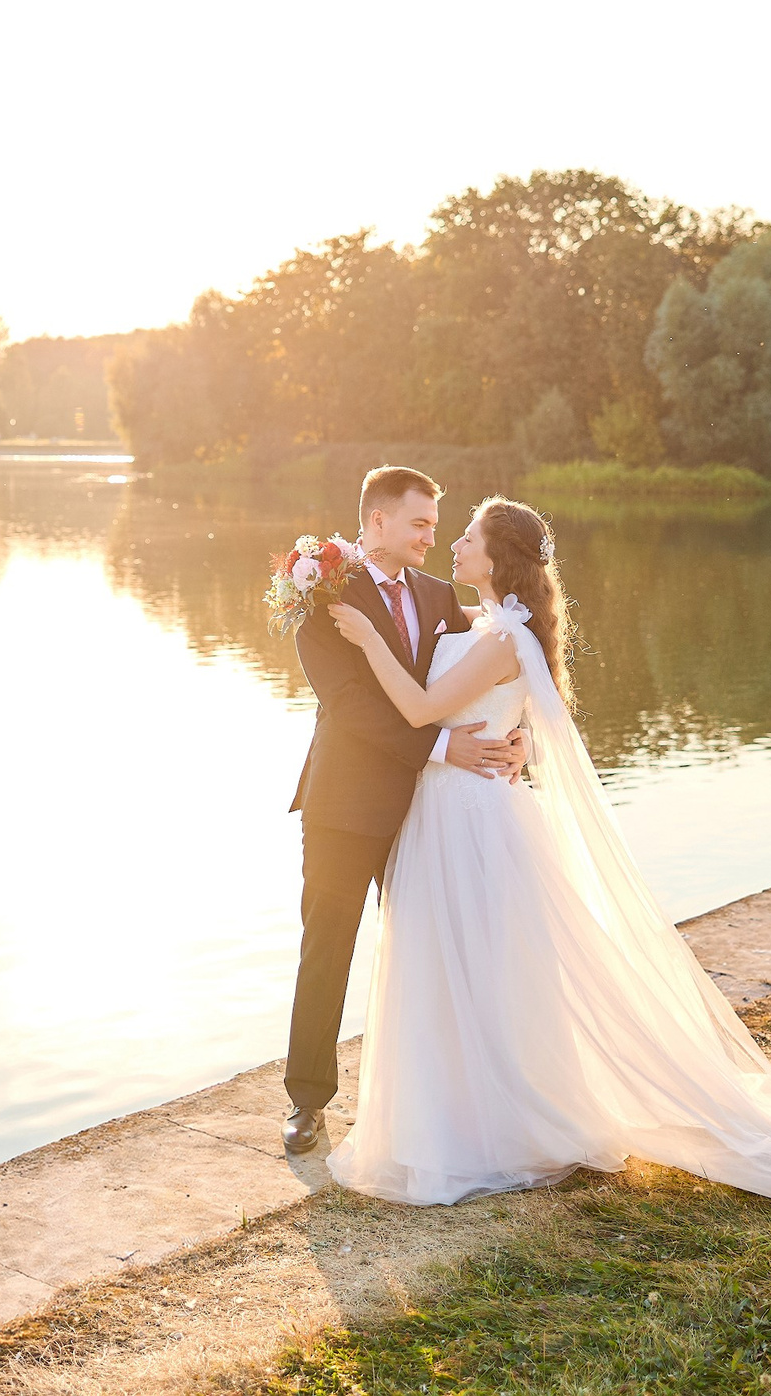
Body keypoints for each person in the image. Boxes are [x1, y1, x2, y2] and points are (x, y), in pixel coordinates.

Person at [317, 494, 771, 1202]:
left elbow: (419, 709)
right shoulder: (484, 623)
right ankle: (459, 1113)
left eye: (467, 534)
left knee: (486, 965)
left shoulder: (505, 636)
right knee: (461, 967)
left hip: (472, 816)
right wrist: (518, 736)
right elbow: (515, 710)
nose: (454, 543)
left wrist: (366, 638)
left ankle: (498, 1125)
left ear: (497, 557)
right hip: (449, 811)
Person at [281, 465, 527, 1157]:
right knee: (326, 943)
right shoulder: (321, 589)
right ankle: (307, 1101)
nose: (431, 535)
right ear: (377, 521)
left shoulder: (439, 593)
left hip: (427, 812)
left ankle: (441, 1098)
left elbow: (494, 665)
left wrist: (521, 733)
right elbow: (350, 705)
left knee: (430, 948)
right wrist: (444, 746)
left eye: (436, 524)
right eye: (419, 522)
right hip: (344, 802)